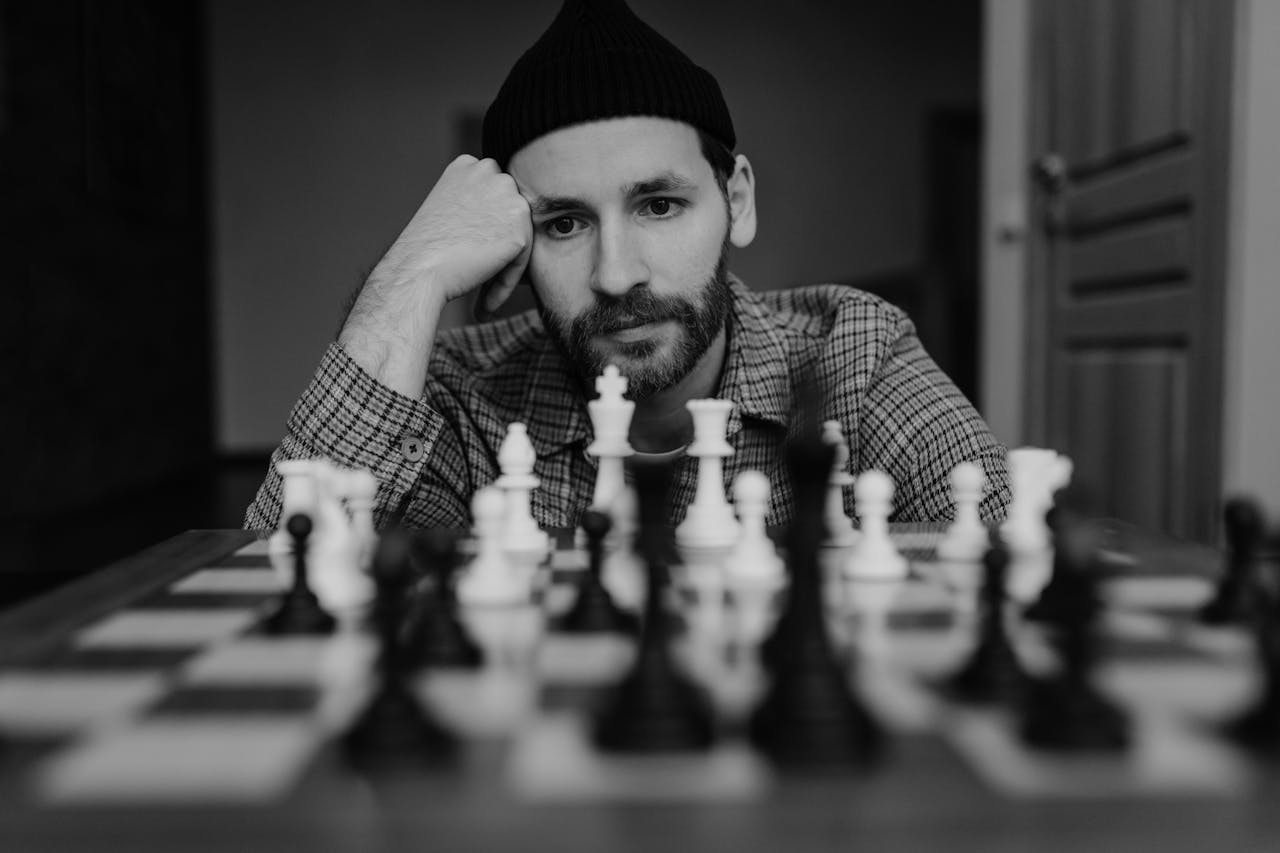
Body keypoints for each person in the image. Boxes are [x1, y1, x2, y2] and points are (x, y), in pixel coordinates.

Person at [244, 0, 1011, 532]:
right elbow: (279, 584)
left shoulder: (855, 353)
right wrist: (409, 272)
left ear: (735, 201)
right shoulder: (461, 397)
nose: (616, 275)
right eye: (565, 222)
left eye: (658, 205)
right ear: (515, 239)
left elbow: (1012, 550)